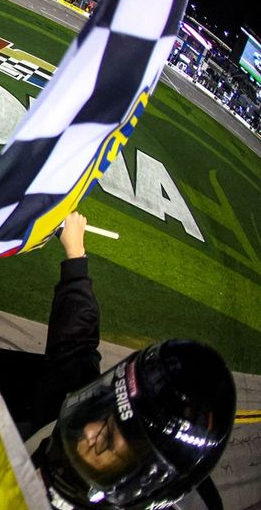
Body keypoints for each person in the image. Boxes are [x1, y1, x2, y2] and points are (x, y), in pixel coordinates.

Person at [28, 212, 236, 510]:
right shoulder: (68, 428)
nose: (88, 429)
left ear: (135, 481)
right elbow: (75, 347)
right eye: (103, 406)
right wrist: (76, 255)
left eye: (107, 441)